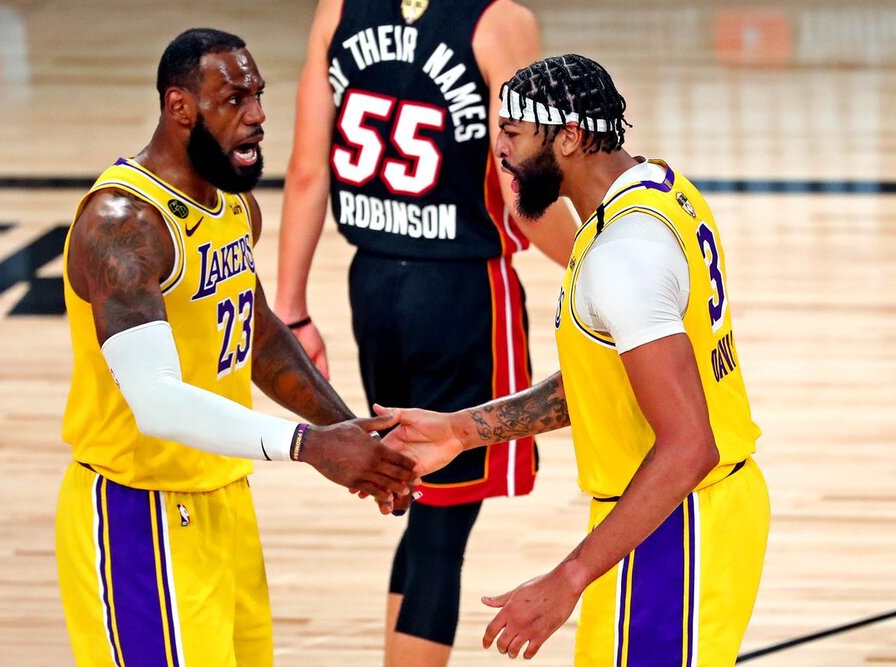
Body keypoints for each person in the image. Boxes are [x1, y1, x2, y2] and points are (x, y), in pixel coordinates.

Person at [380, 54, 770, 664]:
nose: (499, 151)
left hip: (678, 523)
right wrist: (463, 429)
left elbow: (690, 445)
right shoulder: (655, 186)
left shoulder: (625, 254)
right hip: (668, 514)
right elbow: (609, 379)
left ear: (569, 136)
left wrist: (568, 577)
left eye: (512, 133)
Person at [55, 28, 417, 667]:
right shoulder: (123, 225)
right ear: (180, 107)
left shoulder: (231, 206)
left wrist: (352, 434)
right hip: (137, 513)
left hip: (222, 499)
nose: (257, 115)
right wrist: (310, 446)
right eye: (234, 99)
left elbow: (256, 334)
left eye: (258, 95)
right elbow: (157, 403)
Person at [275, 1, 576, 665]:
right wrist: (593, 255)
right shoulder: (500, 22)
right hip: (460, 290)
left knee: (420, 495)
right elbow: (520, 181)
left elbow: (304, 171)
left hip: (373, 287)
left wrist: (291, 309)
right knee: (443, 523)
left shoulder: (339, 9)